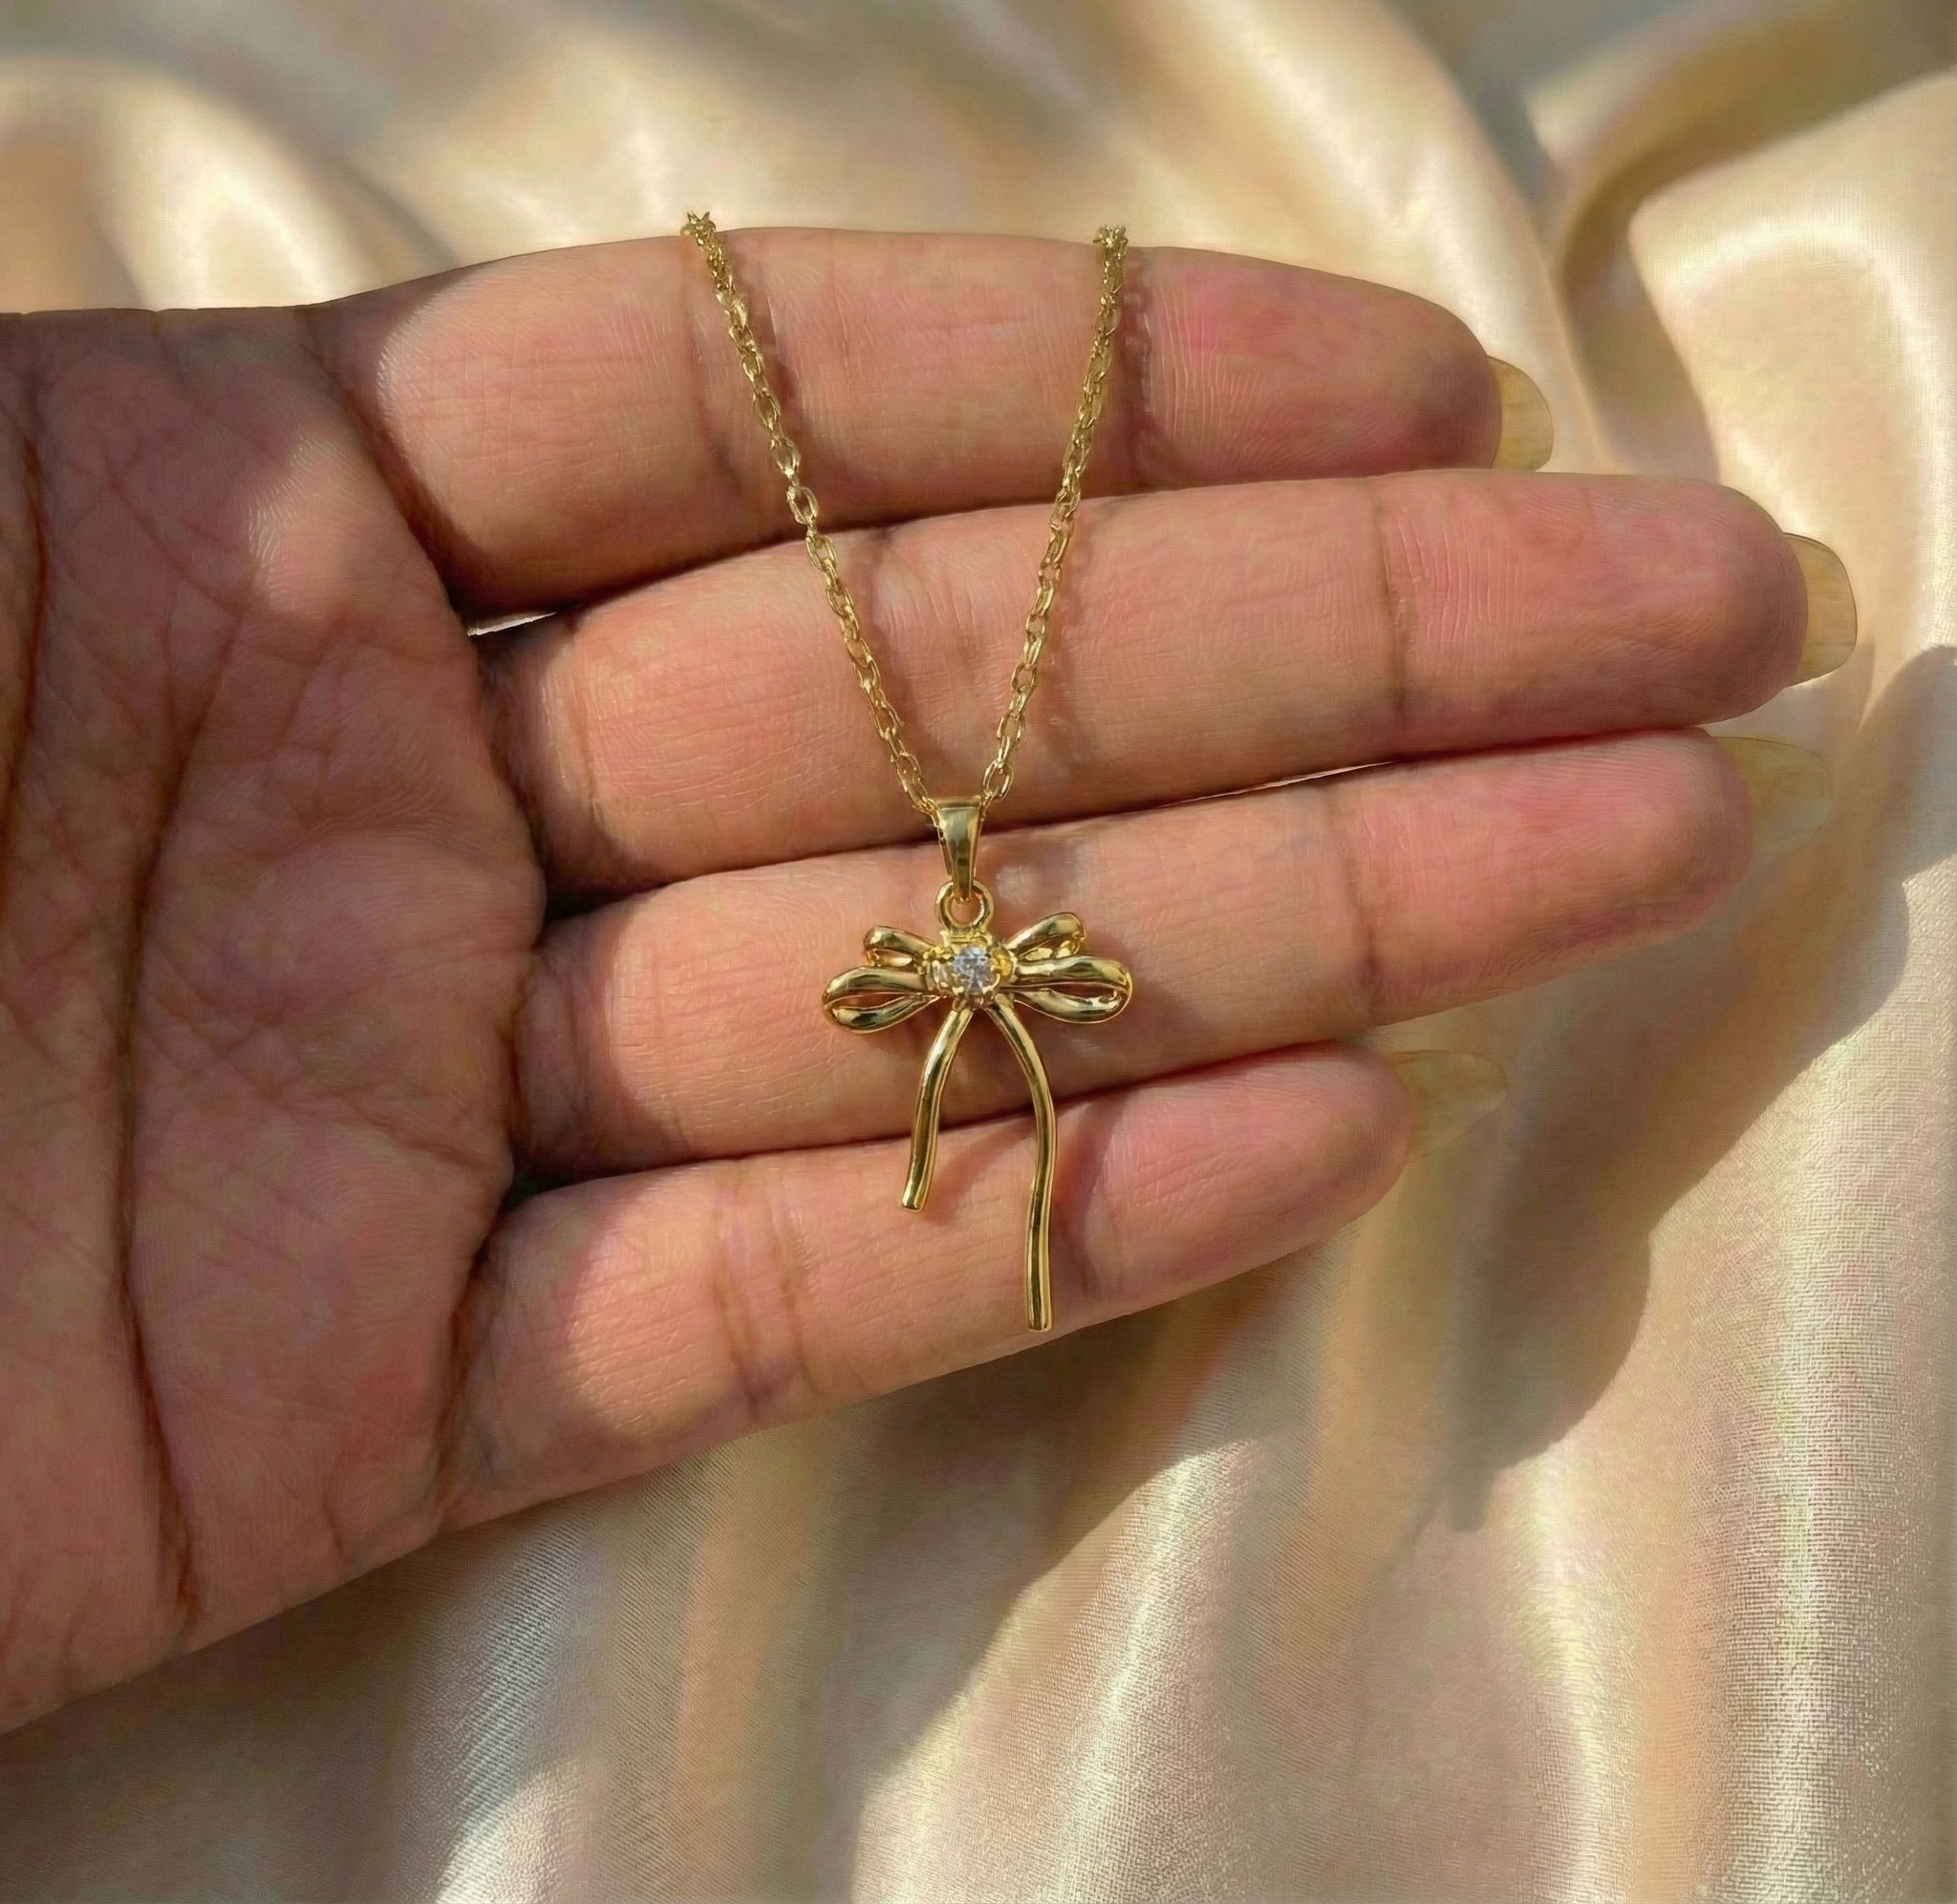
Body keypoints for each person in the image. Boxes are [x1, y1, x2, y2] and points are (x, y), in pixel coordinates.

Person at [0, 225, 1839, 1735]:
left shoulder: (979, 949)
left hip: (993, 995)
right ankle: (952, 1193)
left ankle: (962, 1193)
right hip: (973, 995)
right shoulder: (941, 953)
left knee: (1020, 1104)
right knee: (999, 1109)